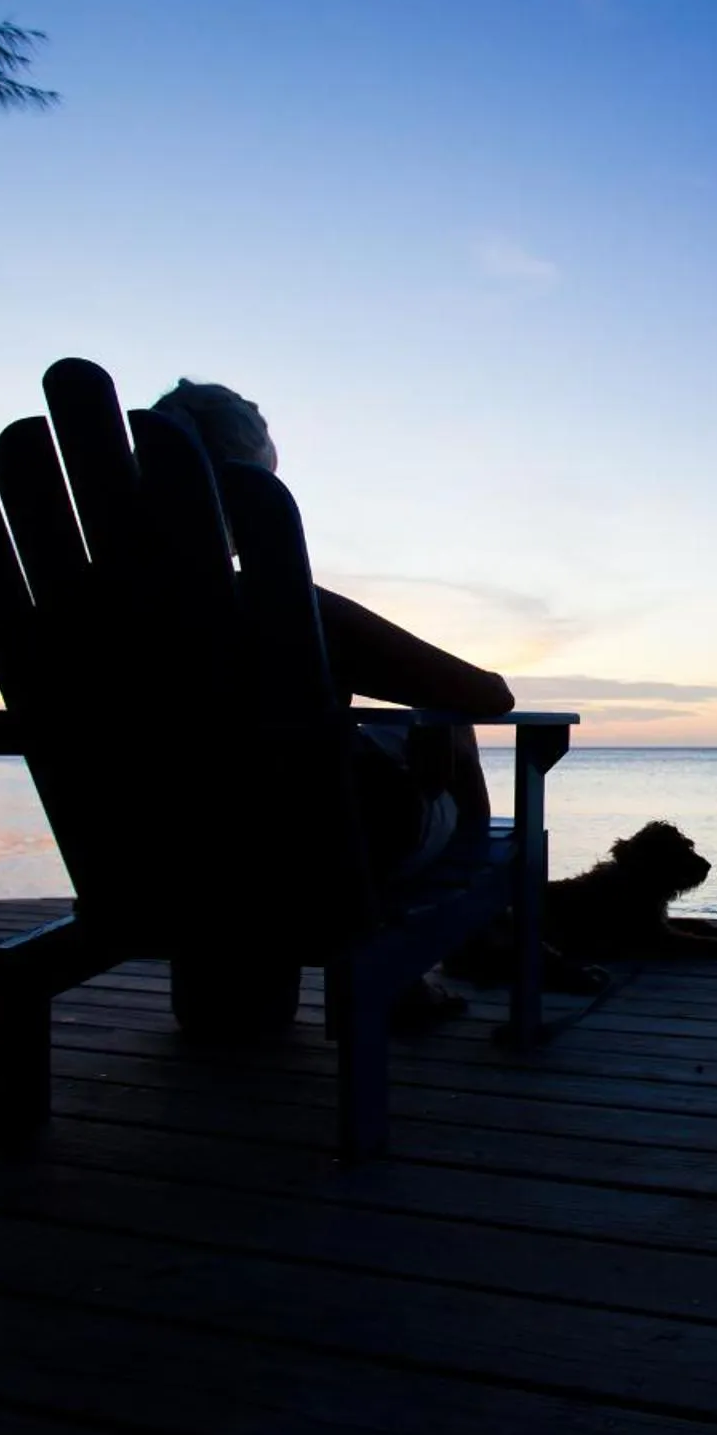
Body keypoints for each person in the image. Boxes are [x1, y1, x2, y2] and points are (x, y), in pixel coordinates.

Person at [147, 378, 519, 1015]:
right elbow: (484, 694)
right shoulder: (282, 606)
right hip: (307, 862)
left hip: (151, 856)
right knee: (445, 725)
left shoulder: (87, 610)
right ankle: (438, 952)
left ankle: (235, 1001)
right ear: (251, 490)